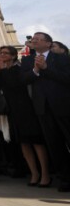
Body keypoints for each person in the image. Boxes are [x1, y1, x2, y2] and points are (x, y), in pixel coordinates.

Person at [21, 32, 70, 192]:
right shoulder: (28, 60)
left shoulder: (61, 58)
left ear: (48, 44)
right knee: (54, 144)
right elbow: (24, 80)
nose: (33, 40)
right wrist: (35, 70)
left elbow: (66, 78)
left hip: (62, 105)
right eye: (33, 39)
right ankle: (65, 177)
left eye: (38, 39)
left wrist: (46, 69)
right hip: (42, 108)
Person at [0, 45, 50, 186]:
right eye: (1, 53)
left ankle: (45, 174)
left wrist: (2, 70)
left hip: (27, 109)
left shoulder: (18, 69)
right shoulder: (1, 71)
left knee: (36, 142)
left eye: (5, 53)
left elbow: (15, 83)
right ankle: (34, 173)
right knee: (23, 143)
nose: (2, 55)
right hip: (14, 111)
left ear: (13, 56)